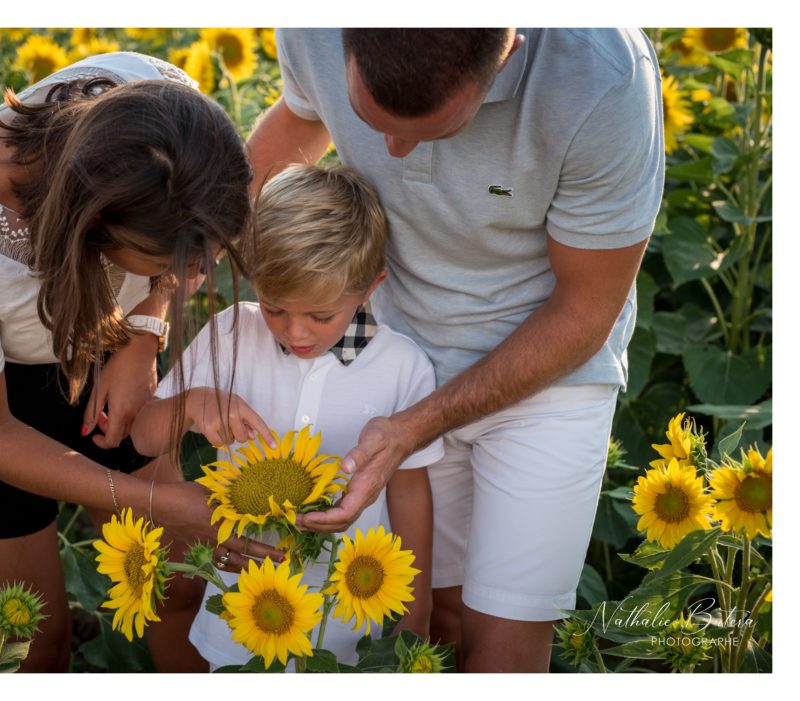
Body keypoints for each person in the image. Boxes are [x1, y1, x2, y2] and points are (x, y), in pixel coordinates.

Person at [247, 29, 664, 671]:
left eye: (433, 132)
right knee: (430, 624)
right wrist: (157, 307)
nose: (393, 152)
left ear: (507, 56)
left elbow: (583, 311)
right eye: (368, 121)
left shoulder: (602, 77)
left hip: (549, 374)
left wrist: (416, 426)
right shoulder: (312, 25)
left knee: (505, 648)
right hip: (402, 358)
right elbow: (297, 123)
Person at [0, 51, 279, 672]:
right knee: (35, 638)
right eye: (163, 263)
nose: (191, 276)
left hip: (105, 344)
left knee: (177, 583)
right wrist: (154, 502)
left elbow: (186, 237)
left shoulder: (164, 105)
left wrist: (145, 330)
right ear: (93, 224)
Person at [131, 164, 443, 668]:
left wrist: (418, 606)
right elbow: (143, 438)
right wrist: (191, 404)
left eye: (321, 315)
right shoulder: (230, 334)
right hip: (240, 608)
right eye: (274, 307)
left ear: (370, 288)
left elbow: (408, 490)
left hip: (346, 611)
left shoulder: (402, 367)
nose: (296, 332)